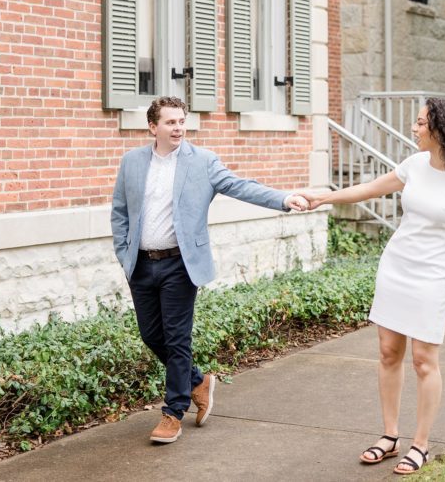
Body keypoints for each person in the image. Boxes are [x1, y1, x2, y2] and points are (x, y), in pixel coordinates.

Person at [297, 97, 445, 475]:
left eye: (421, 123)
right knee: (389, 353)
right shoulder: (414, 165)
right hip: (396, 267)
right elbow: (369, 189)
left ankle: (420, 445)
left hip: (430, 276)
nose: (414, 128)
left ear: (440, 129)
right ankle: (389, 436)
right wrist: (321, 196)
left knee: (424, 360)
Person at [111, 96, 309, 444]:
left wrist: (283, 198)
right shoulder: (132, 162)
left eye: (182, 121)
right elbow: (120, 211)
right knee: (151, 336)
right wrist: (123, 251)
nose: (178, 128)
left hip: (180, 265)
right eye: (170, 122)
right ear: (153, 127)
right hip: (141, 265)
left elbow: (240, 185)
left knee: (176, 340)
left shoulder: (202, 162)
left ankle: (173, 412)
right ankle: (198, 380)